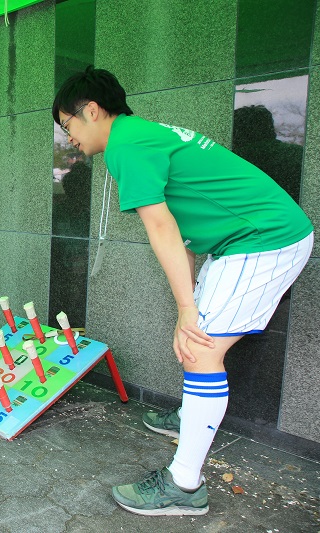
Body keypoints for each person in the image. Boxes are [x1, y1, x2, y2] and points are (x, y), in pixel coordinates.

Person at [52, 66, 314, 516]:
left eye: (67, 124)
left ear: (91, 110)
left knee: (199, 348)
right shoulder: (138, 135)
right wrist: (189, 299)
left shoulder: (127, 145)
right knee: (197, 340)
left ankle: (184, 485)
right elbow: (178, 227)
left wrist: (187, 307)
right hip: (242, 241)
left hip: (263, 240)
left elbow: (161, 227)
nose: (68, 136)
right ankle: (193, 416)